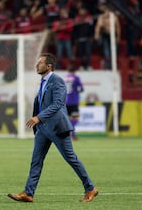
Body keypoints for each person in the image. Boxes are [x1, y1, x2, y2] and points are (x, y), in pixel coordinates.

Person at [7, 53, 98, 203]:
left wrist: (38, 117)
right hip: (43, 129)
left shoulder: (57, 81)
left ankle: (90, 188)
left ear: (48, 66)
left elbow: (58, 104)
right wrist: (39, 121)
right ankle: (28, 193)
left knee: (71, 159)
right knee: (36, 161)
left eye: (40, 63)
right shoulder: (43, 82)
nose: (37, 65)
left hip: (57, 127)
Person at [64, 64, 84, 140]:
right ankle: (72, 133)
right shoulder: (76, 78)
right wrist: (77, 91)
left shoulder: (65, 78)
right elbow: (81, 89)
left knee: (68, 118)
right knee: (76, 118)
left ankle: (68, 133)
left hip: (65, 101)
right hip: (73, 101)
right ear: (75, 71)